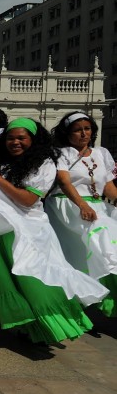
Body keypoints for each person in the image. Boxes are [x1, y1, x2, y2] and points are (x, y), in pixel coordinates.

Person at [0, 117, 108, 344]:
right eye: (11, 138)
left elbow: (28, 199)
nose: (15, 142)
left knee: (28, 281)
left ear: (32, 139)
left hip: (23, 231)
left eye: (21, 138)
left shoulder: (44, 164)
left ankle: (31, 324)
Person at [46, 111, 117, 321]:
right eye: (78, 130)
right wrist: (82, 205)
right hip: (69, 207)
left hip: (99, 208)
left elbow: (108, 186)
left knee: (103, 252)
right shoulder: (61, 154)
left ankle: (106, 299)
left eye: (87, 129)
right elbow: (64, 182)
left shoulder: (102, 153)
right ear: (67, 133)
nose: (83, 134)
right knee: (89, 254)